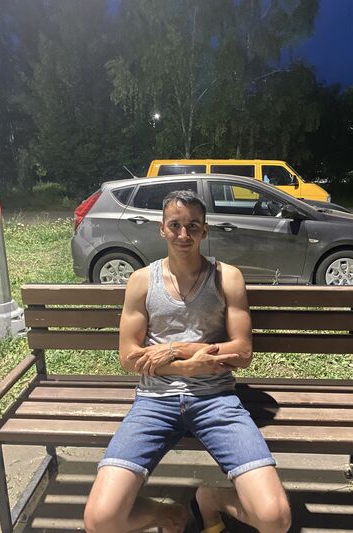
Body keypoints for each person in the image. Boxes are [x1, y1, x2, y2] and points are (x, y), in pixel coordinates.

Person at [84, 190, 291, 533]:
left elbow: (242, 352)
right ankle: (170, 514)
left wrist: (176, 350)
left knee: (276, 519)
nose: (184, 234)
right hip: (154, 402)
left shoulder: (227, 277)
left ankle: (211, 498)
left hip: (216, 400)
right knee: (100, 520)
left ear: (204, 230)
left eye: (193, 225)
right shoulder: (141, 281)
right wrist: (187, 366)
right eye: (175, 225)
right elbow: (129, 357)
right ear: (162, 229)